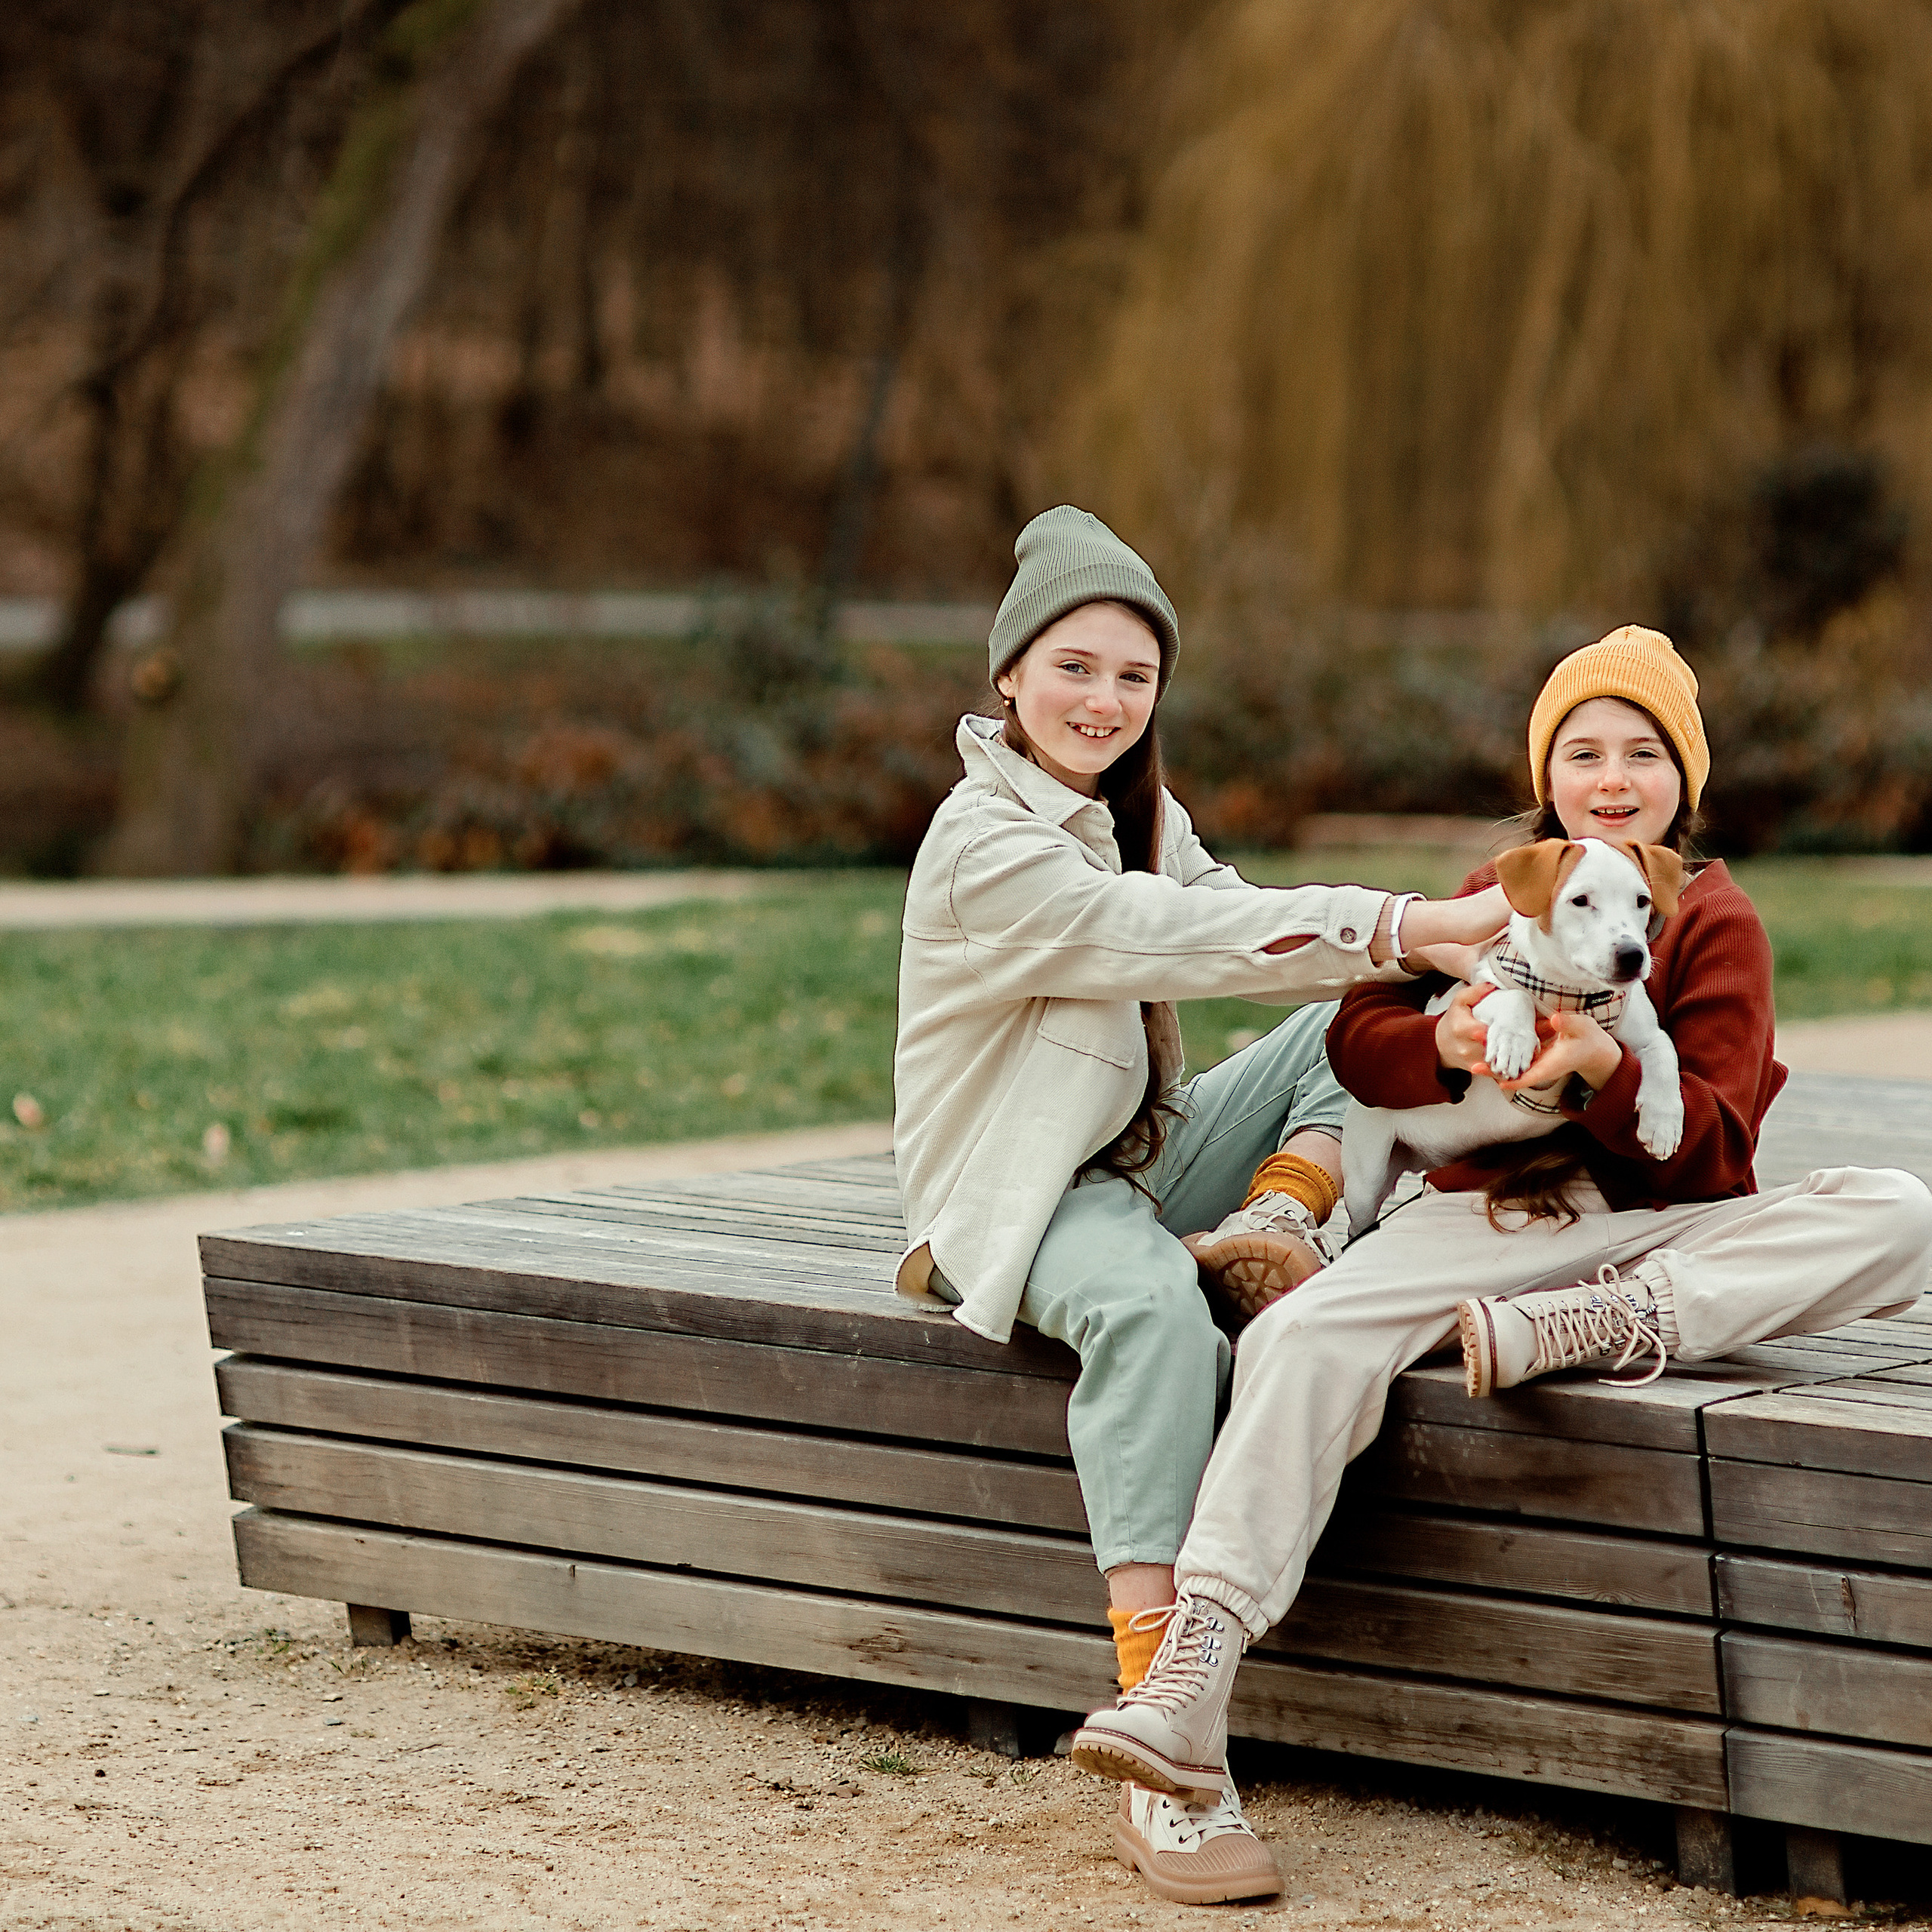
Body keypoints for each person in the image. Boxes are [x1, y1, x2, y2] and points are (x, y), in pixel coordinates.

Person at [1070, 623, 1932, 1807]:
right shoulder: (1499, 892)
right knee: (1294, 1340)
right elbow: (1352, 1038)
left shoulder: (1712, 918)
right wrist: (1443, 1039)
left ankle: (1604, 1324)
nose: (1614, 779)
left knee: (1897, 1211)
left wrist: (1600, 1076)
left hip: (1642, 1226)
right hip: (1481, 1221)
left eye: (1644, 753)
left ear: (1685, 781)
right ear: (1548, 779)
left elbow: (1719, 1147)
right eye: (1583, 753)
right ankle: (1190, 1678)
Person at [892, 504, 1509, 1905]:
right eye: (1074, 667)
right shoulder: (980, 844)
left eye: (1134, 675)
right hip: (1025, 1190)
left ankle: (1281, 1225)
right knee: (1155, 1309)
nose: (1105, 700)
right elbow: (1166, 934)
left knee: (1371, 1016)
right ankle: (1170, 1734)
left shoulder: (1137, 813)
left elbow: (1237, 913)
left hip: (1145, 1145)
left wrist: (1409, 958)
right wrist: (1404, 917)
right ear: (1008, 677)